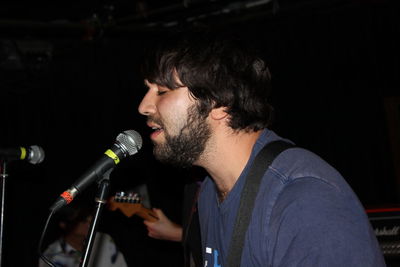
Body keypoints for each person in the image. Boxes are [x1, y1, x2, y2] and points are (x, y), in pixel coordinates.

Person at [137, 28, 386, 266]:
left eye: (162, 91)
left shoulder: (304, 202)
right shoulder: (209, 195)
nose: (144, 106)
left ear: (217, 102)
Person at [39, 202, 128, 267]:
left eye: (90, 218)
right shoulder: (50, 258)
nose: (89, 223)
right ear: (64, 224)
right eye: (83, 220)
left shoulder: (103, 239)